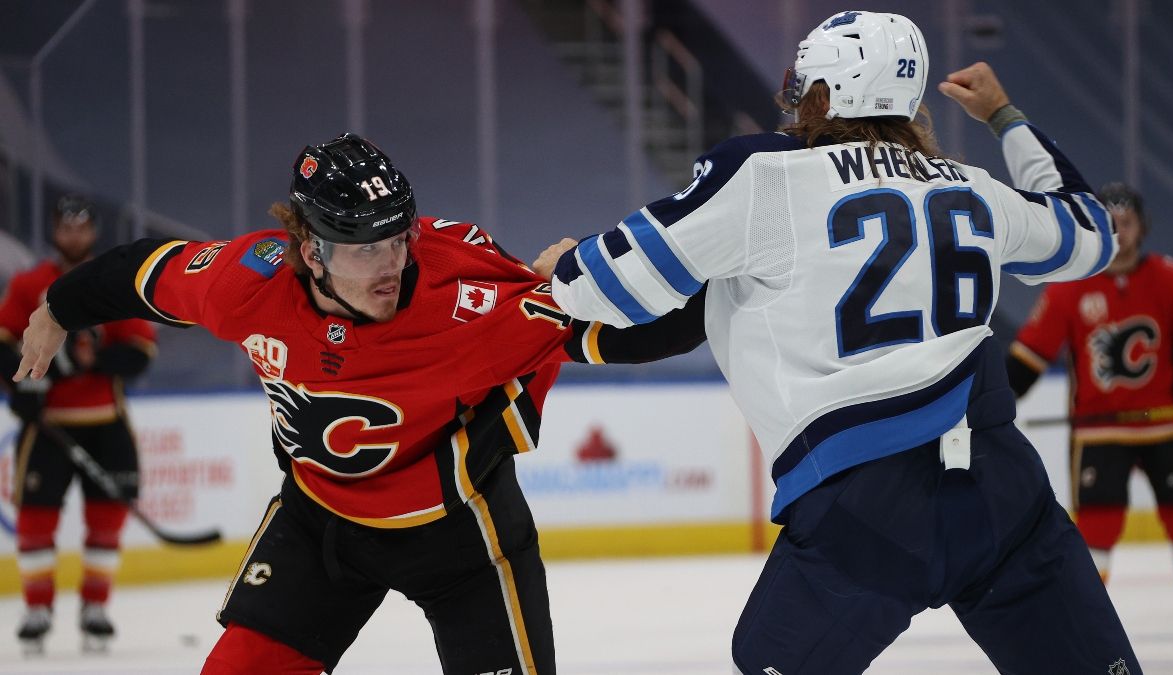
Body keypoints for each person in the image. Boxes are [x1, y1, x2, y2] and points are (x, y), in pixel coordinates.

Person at [532, 10, 1142, 674]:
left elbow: (610, 287)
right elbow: (1093, 232)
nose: (788, 99)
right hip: (1002, 492)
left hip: (865, 509)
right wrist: (1006, 117)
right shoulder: (974, 188)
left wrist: (567, 268)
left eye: (805, 85)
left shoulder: (766, 174)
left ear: (831, 93)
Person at [11, 133, 704, 674]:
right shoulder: (244, 282)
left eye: (399, 236)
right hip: (320, 527)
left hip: (463, 538)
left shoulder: (466, 301)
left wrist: (632, 279)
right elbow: (139, 273)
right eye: (366, 247)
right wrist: (57, 307)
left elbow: (630, 332)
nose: (393, 261)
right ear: (308, 251)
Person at [1007, 181, 1173, 638]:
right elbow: (1027, 360)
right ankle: (1085, 624)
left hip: (1166, 427)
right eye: (1110, 224)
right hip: (1100, 435)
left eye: (1126, 223)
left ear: (1142, 227)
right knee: (1095, 536)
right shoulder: (1070, 288)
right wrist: (988, 406)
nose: (1120, 232)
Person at [0, 195, 157, 653]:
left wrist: (83, 362)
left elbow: (139, 353)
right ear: (54, 231)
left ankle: (95, 607)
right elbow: (4, 344)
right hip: (48, 427)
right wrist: (22, 389)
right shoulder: (31, 284)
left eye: (81, 228)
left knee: (106, 523)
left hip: (106, 424)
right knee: (35, 522)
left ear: (93, 232)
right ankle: (37, 608)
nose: (74, 236)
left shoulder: (111, 284)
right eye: (65, 228)